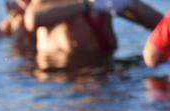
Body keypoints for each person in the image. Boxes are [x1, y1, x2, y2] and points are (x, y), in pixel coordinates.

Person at [23, 0, 163, 70]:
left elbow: (162, 28)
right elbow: (32, 19)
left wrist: (129, 4)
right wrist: (87, 5)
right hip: (65, 74)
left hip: (106, 67)